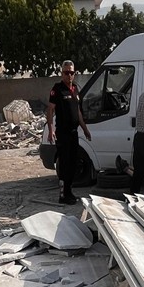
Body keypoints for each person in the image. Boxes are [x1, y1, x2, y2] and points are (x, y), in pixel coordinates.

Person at [46, 60, 91, 205]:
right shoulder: (57, 89)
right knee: (64, 164)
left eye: (72, 73)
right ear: (62, 73)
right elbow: (50, 109)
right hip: (63, 133)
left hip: (73, 132)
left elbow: (77, 111)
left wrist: (84, 129)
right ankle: (63, 195)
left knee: (73, 163)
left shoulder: (75, 88)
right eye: (66, 73)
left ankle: (69, 191)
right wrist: (51, 129)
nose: (69, 75)